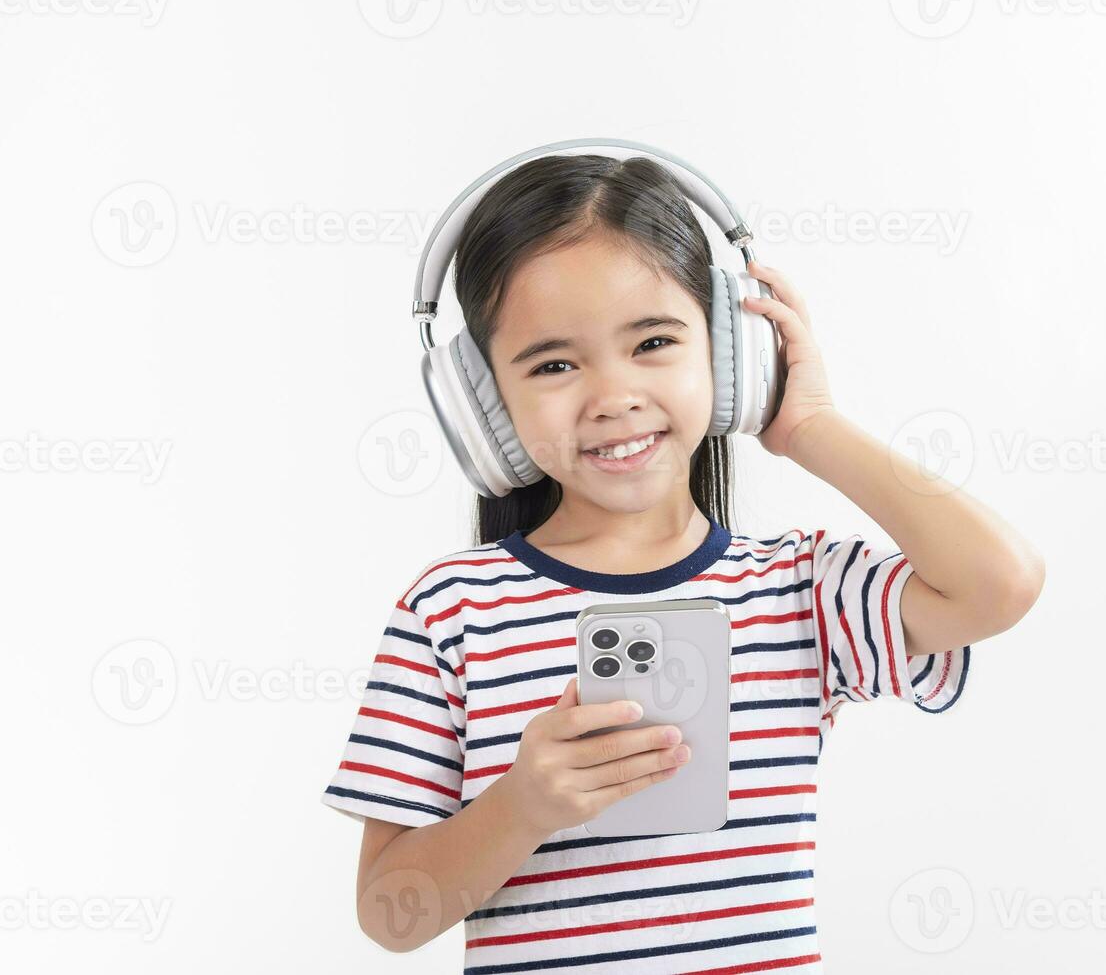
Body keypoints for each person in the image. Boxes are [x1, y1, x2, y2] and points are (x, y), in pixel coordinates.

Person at [320, 152, 1045, 972]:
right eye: (554, 364)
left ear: (729, 359)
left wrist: (809, 425)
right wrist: (521, 807)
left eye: (654, 341)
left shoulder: (799, 590)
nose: (613, 394)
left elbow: (1000, 581)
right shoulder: (451, 611)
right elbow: (390, 915)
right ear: (482, 404)